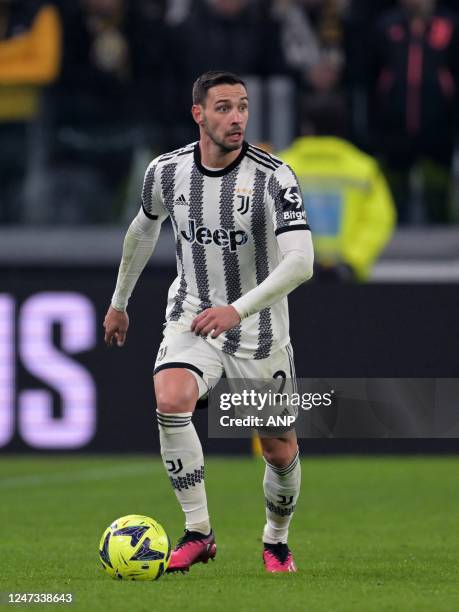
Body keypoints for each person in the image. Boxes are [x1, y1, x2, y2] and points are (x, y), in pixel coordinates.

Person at [103, 70, 314, 573]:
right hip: (192, 316)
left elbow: (302, 262)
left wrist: (237, 310)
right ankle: (199, 532)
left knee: (279, 449)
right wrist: (119, 302)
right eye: (223, 107)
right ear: (198, 114)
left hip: (258, 333)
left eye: (242, 106)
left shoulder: (274, 177)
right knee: (172, 397)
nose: (236, 117)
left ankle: (276, 540)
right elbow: (142, 230)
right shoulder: (166, 171)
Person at [279, 101, 396, 281]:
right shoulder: (364, 169)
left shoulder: (281, 167)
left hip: (292, 282)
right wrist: (352, 262)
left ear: (307, 128)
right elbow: (378, 220)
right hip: (348, 280)